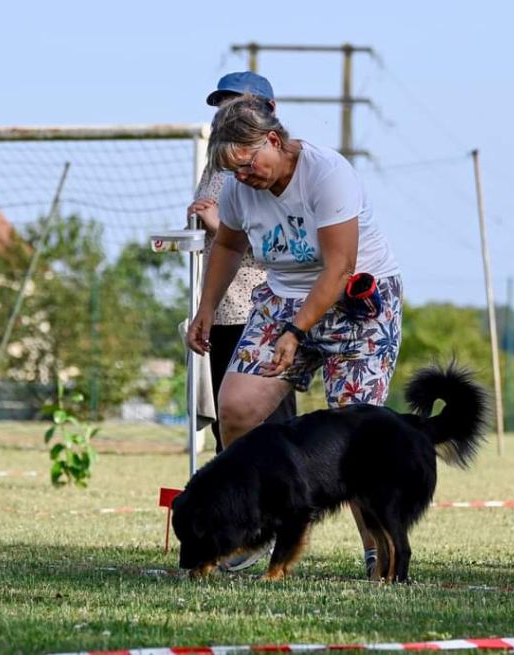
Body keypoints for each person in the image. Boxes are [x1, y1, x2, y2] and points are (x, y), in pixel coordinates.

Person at [185, 94, 403, 576]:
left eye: (248, 164)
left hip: (354, 300)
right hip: (283, 297)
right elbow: (228, 243)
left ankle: (377, 551)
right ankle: (254, 530)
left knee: (355, 435)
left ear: (274, 140)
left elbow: (339, 265)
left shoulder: (327, 174)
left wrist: (295, 331)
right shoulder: (240, 190)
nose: (244, 177)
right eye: (234, 172)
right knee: (237, 408)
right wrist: (206, 307)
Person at [189, 71, 297, 457]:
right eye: (223, 105)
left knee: (272, 423)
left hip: (260, 307)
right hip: (223, 308)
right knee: (227, 419)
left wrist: (218, 225)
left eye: (237, 104)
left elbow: (280, 239)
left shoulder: (276, 167)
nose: (227, 113)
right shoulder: (219, 164)